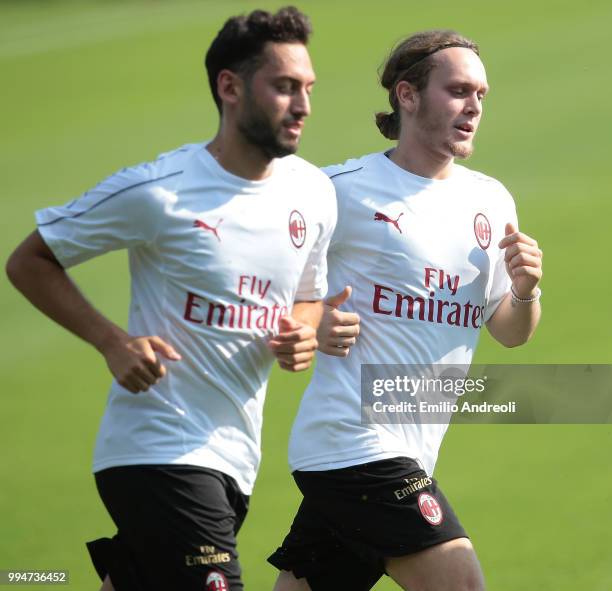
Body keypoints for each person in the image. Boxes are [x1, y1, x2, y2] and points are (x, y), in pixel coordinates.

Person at [6, 7, 337, 591]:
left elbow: (309, 296)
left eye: (308, 88)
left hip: (234, 458)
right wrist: (112, 341)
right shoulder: (159, 191)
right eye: (285, 87)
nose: (304, 104)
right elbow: (30, 260)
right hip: (158, 451)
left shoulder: (312, 193)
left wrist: (303, 329)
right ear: (229, 87)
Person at [268, 29, 543, 591]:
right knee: (461, 582)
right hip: (353, 441)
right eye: (459, 90)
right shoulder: (341, 191)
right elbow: (258, 283)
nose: (474, 107)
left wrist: (525, 288)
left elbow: (511, 334)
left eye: (482, 95)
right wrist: (312, 321)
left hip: (409, 449)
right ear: (407, 95)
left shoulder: (489, 199)